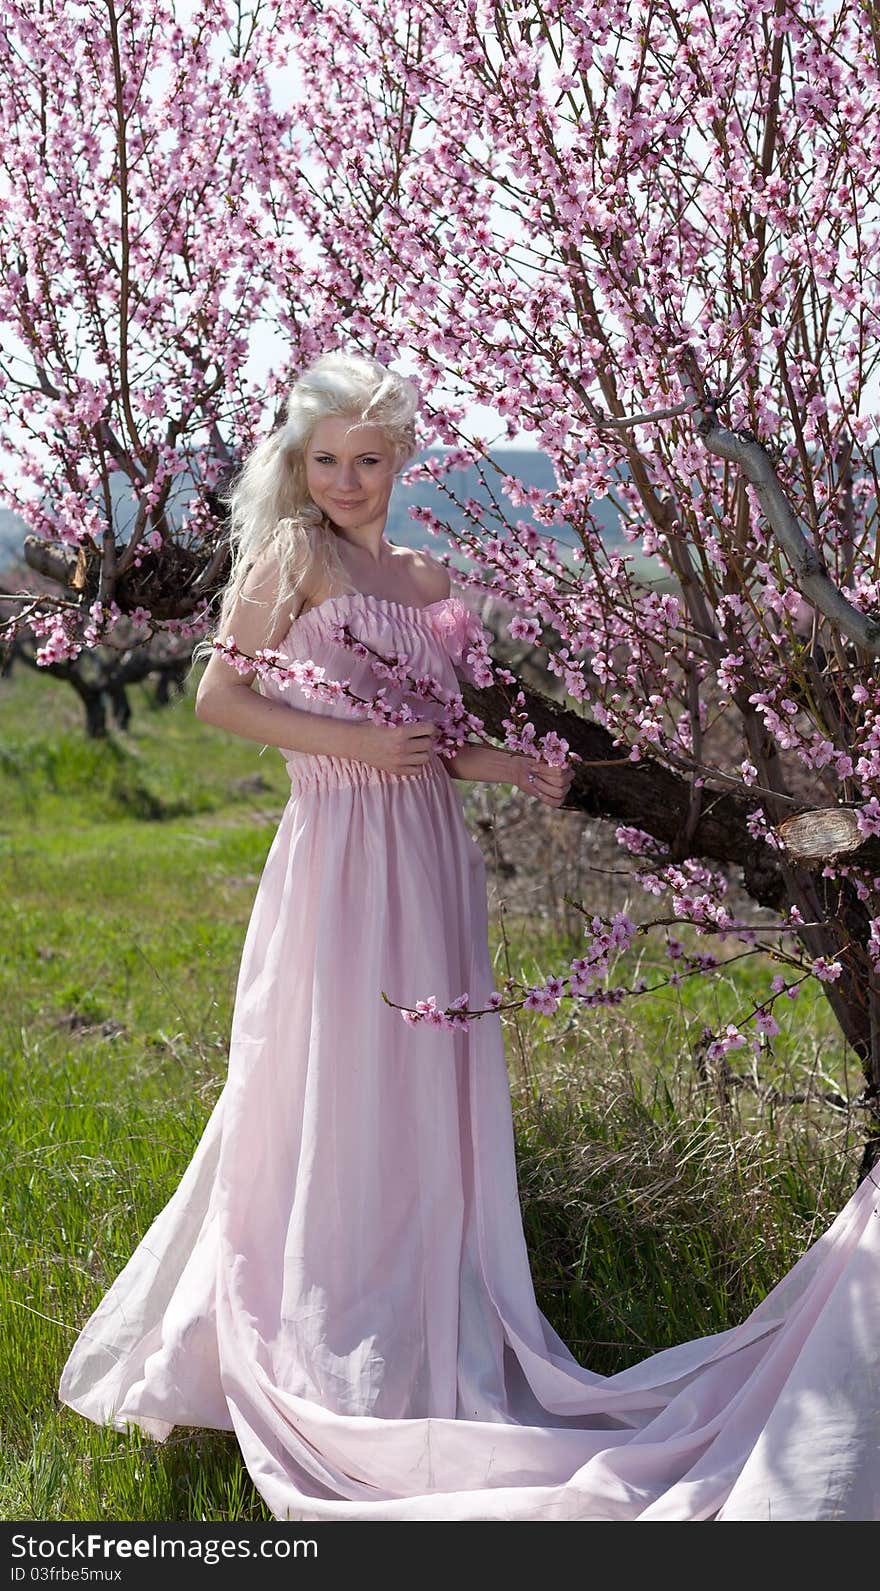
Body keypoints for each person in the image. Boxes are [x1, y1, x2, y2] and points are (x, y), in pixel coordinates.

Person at [58, 350, 880, 1522]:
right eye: (325, 458)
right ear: (303, 462)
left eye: (368, 458)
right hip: (338, 848)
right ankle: (315, 1314)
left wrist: (520, 767)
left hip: (429, 849)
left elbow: (435, 732)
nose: (345, 479)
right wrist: (349, 749)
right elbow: (220, 701)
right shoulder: (291, 554)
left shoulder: (429, 574)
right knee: (329, 1068)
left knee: (421, 1079)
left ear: (402, 458)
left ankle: (425, 1296)